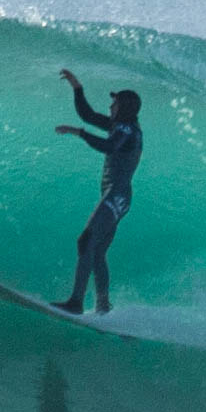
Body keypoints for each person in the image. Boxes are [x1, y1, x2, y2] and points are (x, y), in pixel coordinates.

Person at [53, 69, 142, 315]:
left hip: (117, 195)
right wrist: (76, 87)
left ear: (123, 107)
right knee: (98, 251)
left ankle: (76, 303)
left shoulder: (125, 131)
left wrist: (79, 133)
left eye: (114, 103)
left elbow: (109, 146)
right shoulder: (124, 126)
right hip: (120, 196)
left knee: (85, 242)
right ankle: (103, 306)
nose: (111, 106)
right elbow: (88, 114)